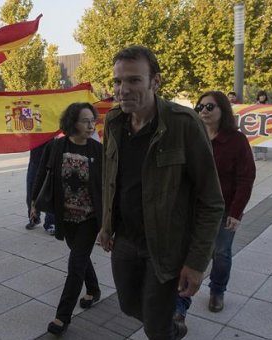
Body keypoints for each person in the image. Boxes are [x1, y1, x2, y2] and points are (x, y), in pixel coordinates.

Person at [98, 46, 224, 340]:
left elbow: (211, 200)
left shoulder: (184, 124)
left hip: (166, 246)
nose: (123, 90)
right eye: (118, 82)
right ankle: (170, 323)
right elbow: (110, 177)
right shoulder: (114, 121)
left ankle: (165, 326)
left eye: (134, 80)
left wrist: (196, 262)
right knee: (129, 306)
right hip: (126, 239)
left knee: (154, 327)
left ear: (155, 81)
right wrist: (106, 225)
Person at [175, 91, 255, 320]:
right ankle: (180, 306)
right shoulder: (192, 136)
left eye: (210, 107)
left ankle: (217, 291)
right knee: (189, 255)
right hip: (193, 210)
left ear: (223, 110)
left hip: (223, 210)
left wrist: (236, 212)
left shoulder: (236, 140)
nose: (203, 111)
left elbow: (246, 177)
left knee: (221, 254)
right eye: (200, 107)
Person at [30, 102, 103, 336]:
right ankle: (94, 289)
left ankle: (62, 317)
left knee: (75, 264)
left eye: (93, 120)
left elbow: (107, 185)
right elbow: (41, 175)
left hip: (90, 218)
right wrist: (34, 204)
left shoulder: (98, 150)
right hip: (65, 216)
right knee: (79, 257)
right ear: (72, 122)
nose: (91, 125)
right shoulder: (56, 146)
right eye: (86, 120)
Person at [25, 141, 55, 234]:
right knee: (31, 188)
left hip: (51, 152)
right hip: (35, 153)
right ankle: (34, 217)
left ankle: (50, 222)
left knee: (49, 189)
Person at [253, 90, 269, 160]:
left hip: (265, 124)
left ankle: (264, 155)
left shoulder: (269, 105)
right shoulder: (255, 105)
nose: (262, 97)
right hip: (256, 124)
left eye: (263, 95)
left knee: (264, 140)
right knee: (255, 140)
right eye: (261, 96)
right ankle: (255, 155)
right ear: (258, 97)